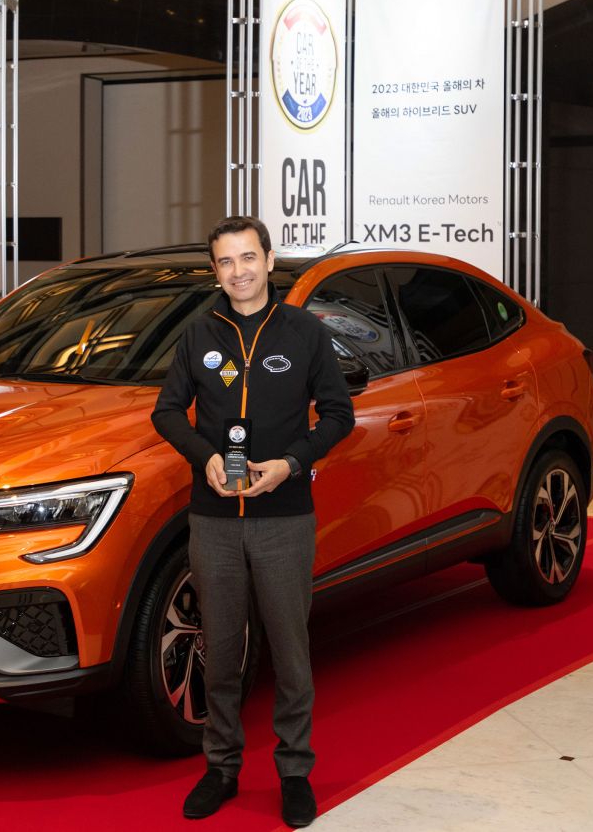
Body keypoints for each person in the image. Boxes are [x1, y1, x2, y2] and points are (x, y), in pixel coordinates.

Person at [152, 215, 355, 827]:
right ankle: (222, 766)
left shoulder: (303, 334)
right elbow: (167, 412)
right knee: (221, 650)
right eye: (225, 262)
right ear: (214, 270)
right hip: (213, 517)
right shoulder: (198, 334)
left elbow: (339, 415)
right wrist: (206, 456)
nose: (237, 272)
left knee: (291, 651)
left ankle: (294, 770)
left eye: (247, 258)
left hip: (283, 516)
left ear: (270, 260)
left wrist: (292, 463)